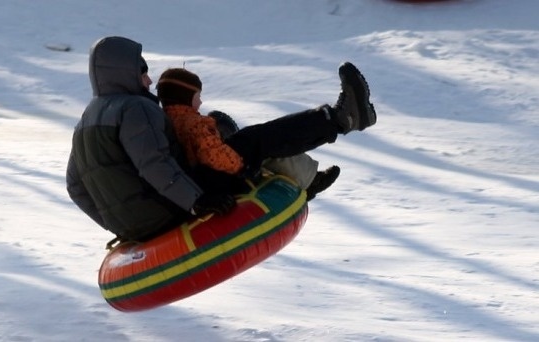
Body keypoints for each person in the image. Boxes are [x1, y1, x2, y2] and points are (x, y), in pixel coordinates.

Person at [66, 36, 376, 242]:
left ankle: (308, 174)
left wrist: (122, 225)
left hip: (140, 225)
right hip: (173, 205)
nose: (148, 79)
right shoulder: (134, 107)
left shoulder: (85, 122)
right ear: (122, 71)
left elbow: (76, 187)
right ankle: (343, 118)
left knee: (229, 142)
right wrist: (197, 201)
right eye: (142, 70)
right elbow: (154, 163)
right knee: (251, 142)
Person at [156, 69, 341, 200]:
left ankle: (311, 179)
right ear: (185, 98)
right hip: (218, 179)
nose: (201, 101)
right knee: (264, 142)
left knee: (259, 145)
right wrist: (241, 167)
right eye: (197, 96)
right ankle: (312, 179)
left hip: (199, 180)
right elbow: (212, 154)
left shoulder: (168, 121)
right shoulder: (194, 123)